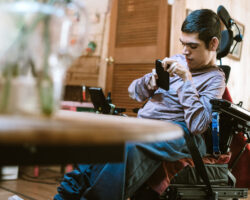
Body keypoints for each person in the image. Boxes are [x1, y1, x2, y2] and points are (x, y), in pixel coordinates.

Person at [54, 9, 225, 200]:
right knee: (101, 136)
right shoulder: (177, 60)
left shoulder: (215, 79)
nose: (185, 51)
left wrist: (186, 80)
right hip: (148, 122)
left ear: (213, 43)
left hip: (180, 131)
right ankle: (63, 197)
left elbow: (198, 125)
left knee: (129, 146)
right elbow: (133, 91)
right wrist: (149, 83)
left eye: (192, 46)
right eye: (183, 44)